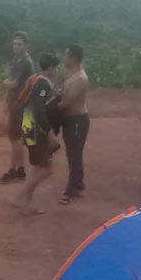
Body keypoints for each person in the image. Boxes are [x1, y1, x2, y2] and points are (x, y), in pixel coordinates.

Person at [11, 53, 61, 214]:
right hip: (36, 130)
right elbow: (38, 109)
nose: (57, 70)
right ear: (51, 67)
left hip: (28, 126)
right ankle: (18, 197)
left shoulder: (35, 79)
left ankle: (27, 203)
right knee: (47, 169)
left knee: (38, 168)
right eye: (56, 67)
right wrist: (49, 133)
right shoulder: (43, 84)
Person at [0, 31, 35, 184]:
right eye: (14, 44)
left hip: (21, 103)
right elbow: (14, 84)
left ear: (26, 46)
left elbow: (14, 84)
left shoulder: (26, 62)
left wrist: (5, 84)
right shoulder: (17, 60)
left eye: (19, 44)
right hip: (16, 102)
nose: (16, 47)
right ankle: (18, 169)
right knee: (16, 138)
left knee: (16, 138)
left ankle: (14, 169)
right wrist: (6, 101)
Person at [58, 45, 90, 205]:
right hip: (71, 120)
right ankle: (78, 184)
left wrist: (46, 108)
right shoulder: (72, 75)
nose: (64, 58)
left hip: (77, 120)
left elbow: (67, 103)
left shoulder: (80, 79)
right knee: (72, 153)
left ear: (73, 58)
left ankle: (72, 189)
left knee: (75, 154)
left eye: (66, 55)